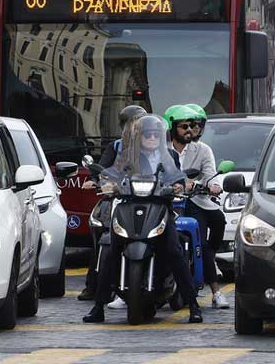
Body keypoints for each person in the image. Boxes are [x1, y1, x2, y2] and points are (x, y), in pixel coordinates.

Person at [83, 115, 202, 323]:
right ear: (139, 136)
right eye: (147, 134)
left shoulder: (170, 156)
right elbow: (113, 173)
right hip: (129, 205)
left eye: (156, 134)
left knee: (174, 251)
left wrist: (179, 186)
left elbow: (177, 176)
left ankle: (193, 304)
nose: (152, 138)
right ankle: (98, 306)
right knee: (110, 250)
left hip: (160, 206)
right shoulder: (128, 157)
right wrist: (106, 183)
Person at [80, 104, 147, 302]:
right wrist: (95, 179)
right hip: (118, 197)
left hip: (145, 198)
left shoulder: (152, 144)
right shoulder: (116, 146)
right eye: (132, 123)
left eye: (140, 124)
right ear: (124, 125)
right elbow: (103, 167)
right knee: (103, 233)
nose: (136, 128)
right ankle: (93, 285)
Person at [166, 104, 229, 310]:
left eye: (192, 126)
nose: (189, 130)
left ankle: (215, 291)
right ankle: (125, 290)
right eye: (184, 126)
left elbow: (210, 174)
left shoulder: (203, 150)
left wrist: (212, 186)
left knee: (201, 242)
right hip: (162, 202)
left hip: (194, 201)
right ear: (171, 127)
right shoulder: (160, 150)